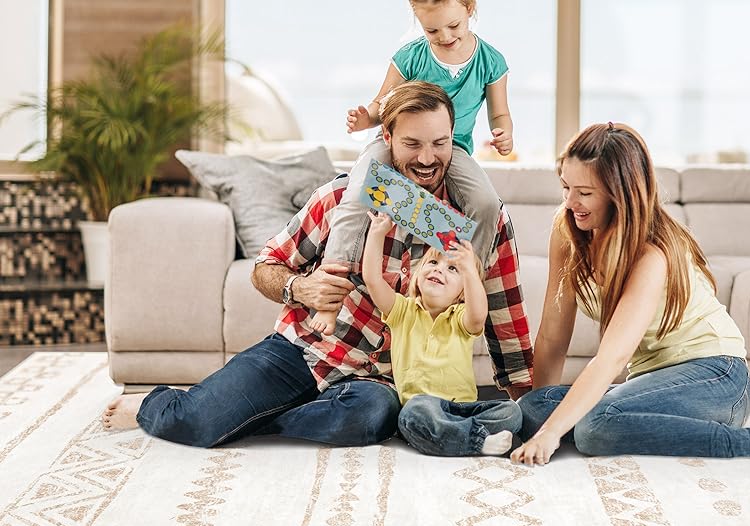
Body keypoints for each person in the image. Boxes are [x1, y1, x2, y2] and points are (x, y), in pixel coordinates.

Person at [102, 81, 533, 447]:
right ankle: (161, 403)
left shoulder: (477, 221)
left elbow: (503, 308)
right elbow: (265, 266)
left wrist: (522, 394)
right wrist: (300, 289)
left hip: (377, 383)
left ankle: (258, 419)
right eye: (412, 144)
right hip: (304, 351)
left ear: (454, 140)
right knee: (195, 423)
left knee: (366, 420)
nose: (426, 158)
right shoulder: (340, 199)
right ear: (386, 138)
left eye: (439, 144)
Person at [510, 122, 750, 467]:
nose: (571, 202)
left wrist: (551, 435)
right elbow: (551, 336)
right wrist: (541, 422)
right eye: (565, 187)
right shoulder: (569, 232)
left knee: (594, 427)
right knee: (532, 408)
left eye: (585, 193)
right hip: (650, 385)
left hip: (716, 377)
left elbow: (612, 358)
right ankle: (630, 424)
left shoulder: (652, 253)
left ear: (619, 193)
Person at [312, 0, 512, 336]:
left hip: (451, 147)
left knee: (487, 203)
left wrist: (504, 132)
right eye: (432, 30)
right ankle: (329, 301)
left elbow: (500, 113)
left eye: (453, 26)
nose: (444, 36)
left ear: (469, 9)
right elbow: (381, 104)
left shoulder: (490, 61)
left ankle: (457, 294)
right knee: (358, 191)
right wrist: (366, 119)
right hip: (396, 142)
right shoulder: (410, 56)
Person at [362, 211, 521, 456]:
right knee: (413, 416)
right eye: (433, 263)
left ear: (461, 293)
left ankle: (454, 434)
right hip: (422, 407)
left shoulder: (460, 318)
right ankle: (477, 441)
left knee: (511, 413)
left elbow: (479, 315)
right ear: (417, 277)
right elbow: (372, 280)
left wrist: (469, 269)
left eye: (453, 269)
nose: (439, 270)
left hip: (463, 407)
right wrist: (377, 234)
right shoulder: (402, 311)